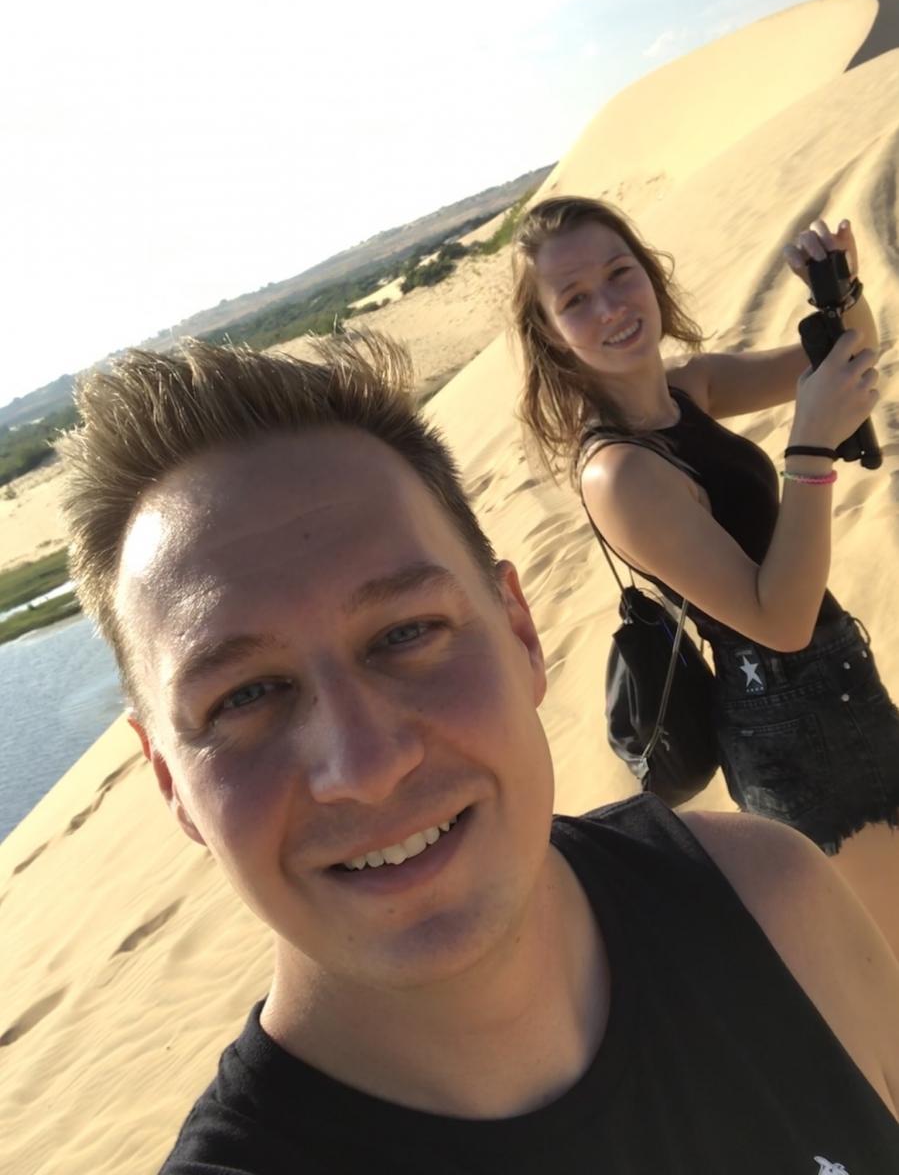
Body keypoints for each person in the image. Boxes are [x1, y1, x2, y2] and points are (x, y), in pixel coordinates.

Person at [59, 335, 899, 1173]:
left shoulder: (766, 900)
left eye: (405, 633)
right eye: (244, 695)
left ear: (520, 633)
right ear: (169, 781)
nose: (365, 767)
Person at [511, 195, 899, 956]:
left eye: (620, 274)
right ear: (550, 333)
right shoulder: (619, 473)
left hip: (839, 689)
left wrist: (840, 291)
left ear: (649, 274)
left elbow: (846, 356)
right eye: (575, 300)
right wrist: (809, 447)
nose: (611, 307)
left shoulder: (688, 390)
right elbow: (778, 621)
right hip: (793, 735)